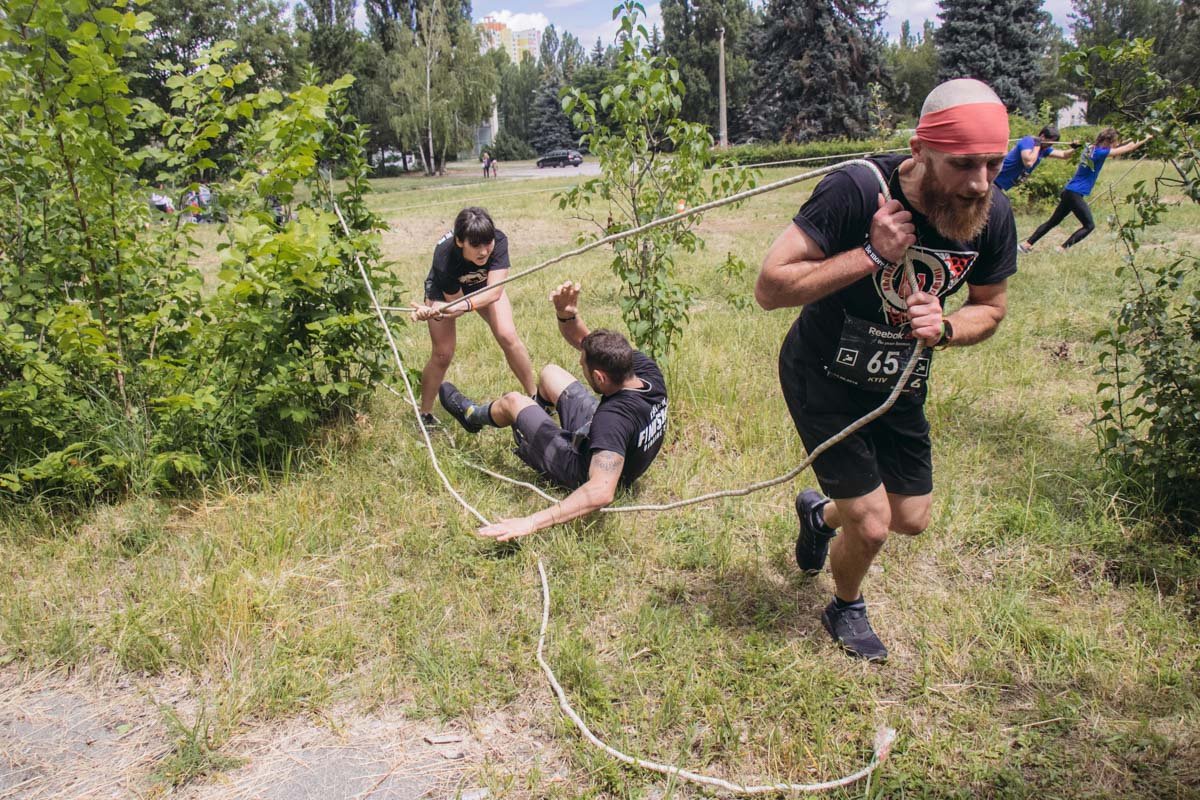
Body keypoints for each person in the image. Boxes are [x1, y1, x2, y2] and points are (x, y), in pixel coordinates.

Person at [756, 78, 1018, 662]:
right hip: (821, 373)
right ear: (920, 149)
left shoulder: (991, 213)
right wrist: (871, 255)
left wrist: (947, 328)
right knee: (872, 526)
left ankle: (820, 514)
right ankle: (845, 604)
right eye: (964, 164)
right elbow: (770, 288)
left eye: (993, 164)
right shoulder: (857, 189)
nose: (979, 182)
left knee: (910, 517)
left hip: (898, 381)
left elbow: (991, 308)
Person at [438, 281, 669, 542]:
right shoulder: (645, 372)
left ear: (599, 378)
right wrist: (567, 313)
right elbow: (584, 340)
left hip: (582, 469)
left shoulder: (611, 421)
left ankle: (473, 416)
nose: (579, 363)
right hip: (610, 440)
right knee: (550, 374)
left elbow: (602, 491)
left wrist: (530, 522)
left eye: (583, 366)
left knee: (514, 401)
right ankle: (536, 422)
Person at [414, 207, 537, 427]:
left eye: (487, 243)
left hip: (485, 286)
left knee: (508, 335)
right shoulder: (445, 256)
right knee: (442, 353)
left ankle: (538, 400)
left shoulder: (498, 241)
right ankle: (425, 415)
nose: (484, 251)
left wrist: (465, 304)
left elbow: (495, 292)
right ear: (460, 242)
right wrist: (436, 309)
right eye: (476, 246)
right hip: (445, 293)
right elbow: (457, 305)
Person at [1020, 128, 1152, 253]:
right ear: (1108, 141)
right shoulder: (1100, 153)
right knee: (1089, 226)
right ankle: (1062, 248)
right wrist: (1146, 138)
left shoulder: (1089, 147)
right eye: (1114, 142)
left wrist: (1135, 137)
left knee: (1053, 222)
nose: (1116, 145)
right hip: (1075, 193)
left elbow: (1121, 145)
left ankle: (1027, 244)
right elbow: (1127, 148)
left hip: (1069, 191)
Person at [993, 125, 1075, 191]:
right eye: (1050, 143)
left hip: (1002, 184)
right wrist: (1037, 146)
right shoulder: (1028, 141)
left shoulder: (1043, 149)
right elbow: (1028, 163)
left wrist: (1075, 148)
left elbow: (1064, 155)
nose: (1050, 146)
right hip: (995, 178)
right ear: (1042, 136)